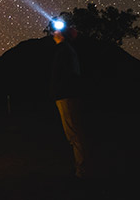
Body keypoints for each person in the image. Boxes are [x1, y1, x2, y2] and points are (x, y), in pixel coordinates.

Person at [50, 21, 92, 179]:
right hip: (65, 95)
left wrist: (61, 90)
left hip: (67, 95)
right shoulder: (65, 50)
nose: (53, 33)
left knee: (75, 134)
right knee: (73, 134)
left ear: (62, 34)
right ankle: (81, 168)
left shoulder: (65, 51)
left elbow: (69, 75)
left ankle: (83, 171)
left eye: (56, 31)